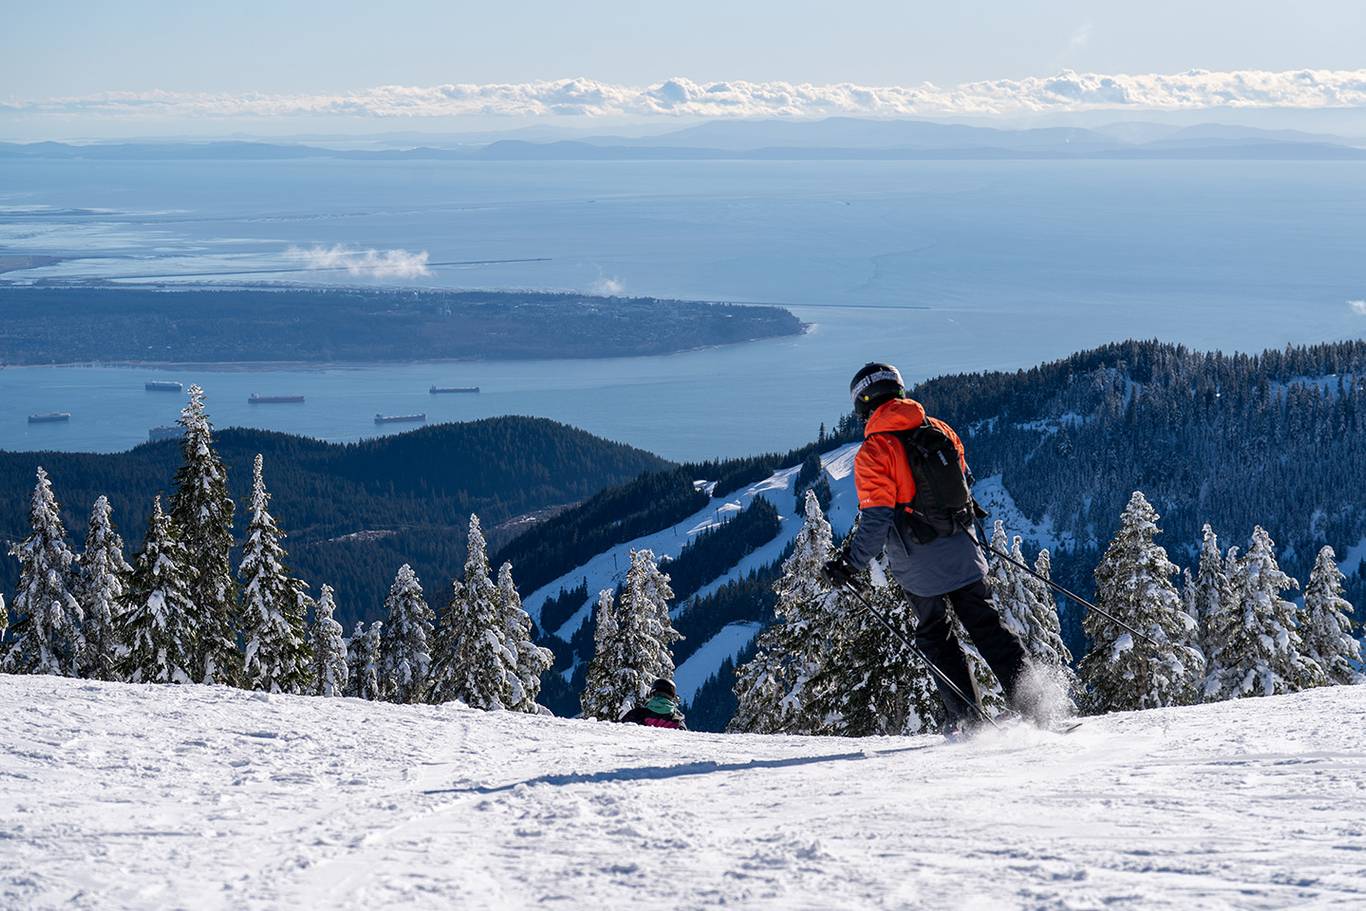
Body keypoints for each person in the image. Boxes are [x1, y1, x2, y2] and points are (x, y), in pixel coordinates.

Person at [823, 362, 1028, 732]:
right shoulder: (939, 429)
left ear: (862, 406)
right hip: (965, 549)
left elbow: (876, 519)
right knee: (987, 626)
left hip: (918, 563)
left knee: (935, 634)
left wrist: (849, 564)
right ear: (898, 391)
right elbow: (964, 482)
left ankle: (967, 722)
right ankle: (1034, 705)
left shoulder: (874, 452)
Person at [619, 678, 688, 730]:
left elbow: (619, 731)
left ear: (653, 693)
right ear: (672, 697)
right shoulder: (677, 721)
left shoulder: (636, 714)